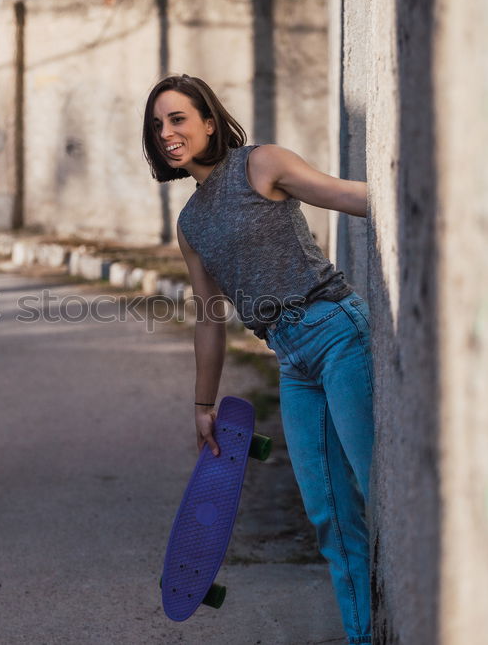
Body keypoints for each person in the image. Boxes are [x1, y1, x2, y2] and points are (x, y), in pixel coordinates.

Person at [143, 73, 374, 645]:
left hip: (337, 332)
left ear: (209, 121)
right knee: (329, 517)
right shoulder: (191, 224)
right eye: (157, 126)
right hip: (291, 363)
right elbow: (208, 316)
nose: (167, 133)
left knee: (377, 486)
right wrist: (203, 405)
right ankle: (363, 636)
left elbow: (348, 196)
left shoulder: (262, 164)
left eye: (177, 119)